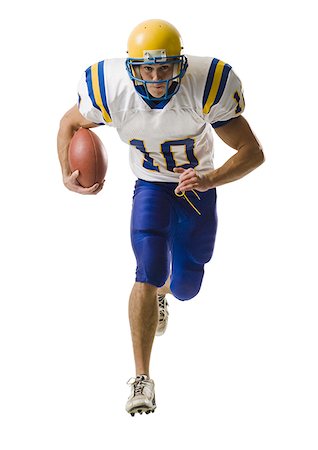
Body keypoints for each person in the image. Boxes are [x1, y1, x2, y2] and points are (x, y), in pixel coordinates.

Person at [57, 19, 264, 416]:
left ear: (179, 65)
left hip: (197, 187)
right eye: (147, 69)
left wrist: (211, 177)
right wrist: (64, 175)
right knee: (146, 270)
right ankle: (142, 379)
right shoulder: (110, 88)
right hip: (150, 184)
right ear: (132, 68)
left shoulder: (206, 85)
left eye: (164, 67)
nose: (155, 77)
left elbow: (253, 152)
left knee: (188, 283)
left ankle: (166, 295)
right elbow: (69, 124)